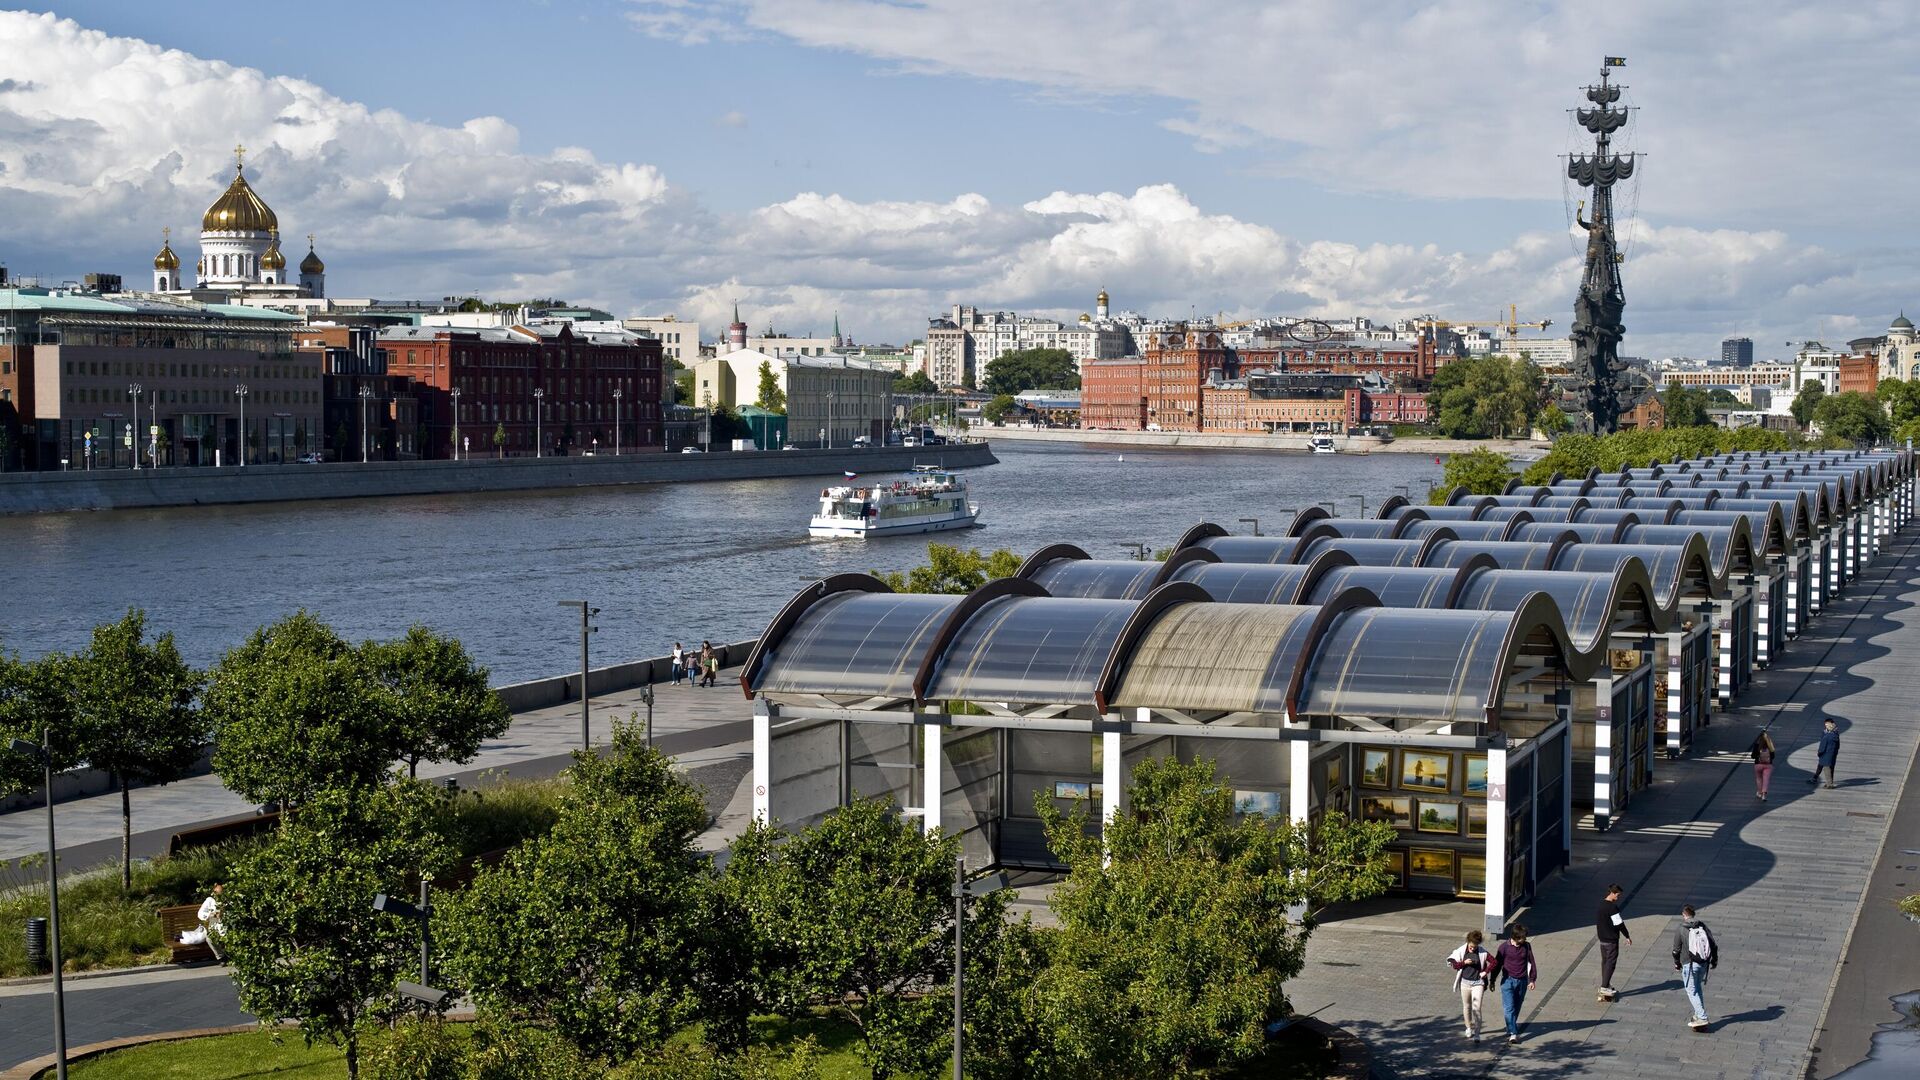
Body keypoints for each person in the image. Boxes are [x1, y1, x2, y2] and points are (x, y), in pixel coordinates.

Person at [1671, 904, 1719, 1031]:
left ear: (1684, 915)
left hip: (1689, 964)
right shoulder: (1702, 925)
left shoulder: (1681, 928)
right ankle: (1698, 1015)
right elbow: (1713, 944)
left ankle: (1702, 1017)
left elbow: (1676, 950)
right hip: (1703, 963)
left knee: (1691, 991)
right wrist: (1714, 960)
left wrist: (1677, 963)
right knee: (1697, 988)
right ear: (1694, 914)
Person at [1488, 924, 1538, 1045]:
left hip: (1522, 981)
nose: (1524, 940)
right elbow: (1497, 965)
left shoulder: (1527, 946)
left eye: (1525, 937)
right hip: (1507, 981)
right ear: (1515, 937)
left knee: (1516, 1006)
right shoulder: (1504, 947)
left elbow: (1532, 962)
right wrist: (1492, 980)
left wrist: (1532, 980)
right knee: (1509, 1008)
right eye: (1522, 938)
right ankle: (1513, 1033)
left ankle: (1510, 1027)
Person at [1445, 929, 1490, 1042]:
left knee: (1477, 1008)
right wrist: (1464, 963)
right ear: (1468, 942)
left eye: (1475, 946)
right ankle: (1468, 1027)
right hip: (1465, 982)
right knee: (1467, 1006)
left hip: (1478, 983)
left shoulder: (1482, 952)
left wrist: (1485, 972)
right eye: (1471, 946)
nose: (1473, 948)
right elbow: (1454, 964)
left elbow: (1494, 962)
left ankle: (1477, 1033)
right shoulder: (1461, 951)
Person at [1595, 883, 1633, 1001]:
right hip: (1611, 940)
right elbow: (1619, 923)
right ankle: (1604, 987)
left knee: (1605, 962)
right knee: (1611, 963)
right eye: (1618, 895)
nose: (1618, 897)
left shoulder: (1601, 905)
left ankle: (1606, 984)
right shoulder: (1612, 907)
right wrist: (1627, 936)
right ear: (1613, 893)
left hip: (1602, 939)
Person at [197, 883, 225, 960]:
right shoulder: (210, 901)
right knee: (210, 938)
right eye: (217, 892)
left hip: (227, 926)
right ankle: (221, 957)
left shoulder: (228, 900)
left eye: (221, 892)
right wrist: (213, 915)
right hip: (214, 926)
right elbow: (200, 914)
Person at [1810, 717, 1840, 789]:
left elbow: (1822, 746)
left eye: (1826, 724)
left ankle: (1829, 784)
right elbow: (1838, 745)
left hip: (1825, 755)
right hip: (1833, 754)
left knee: (1827, 769)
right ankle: (1828, 782)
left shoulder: (1827, 736)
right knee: (1830, 768)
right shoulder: (1835, 735)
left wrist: (1819, 753)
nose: (1825, 725)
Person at [1750, 731, 1776, 800]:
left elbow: (1752, 756)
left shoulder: (1757, 746)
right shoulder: (1770, 745)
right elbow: (1773, 756)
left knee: (1759, 778)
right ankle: (1764, 795)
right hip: (1768, 765)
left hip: (1758, 765)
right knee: (1766, 779)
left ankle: (1759, 792)